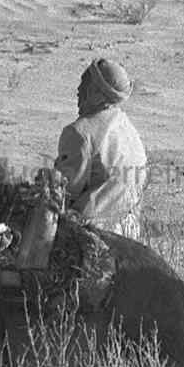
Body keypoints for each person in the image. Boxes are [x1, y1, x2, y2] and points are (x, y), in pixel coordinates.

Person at [54, 58, 147, 238]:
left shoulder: (79, 133)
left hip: (88, 235)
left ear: (96, 93)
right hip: (129, 233)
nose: (78, 92)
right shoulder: (127, 128)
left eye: (84, 85)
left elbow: (63, 193)